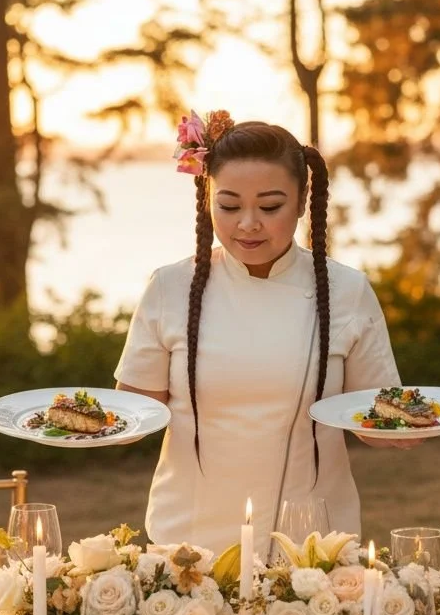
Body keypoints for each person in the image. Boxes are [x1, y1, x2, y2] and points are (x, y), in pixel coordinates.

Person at [115, 109, 408, 556]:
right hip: (189, 544)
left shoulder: (347, 291)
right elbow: (133, 411)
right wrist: (88, 424)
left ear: (302, 201)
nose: (247, 223)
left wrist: (423, 423)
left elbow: (377, 418)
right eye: (228, 205)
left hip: (314, 546)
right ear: (207, 197)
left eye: (270, 207)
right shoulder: (169, 288)